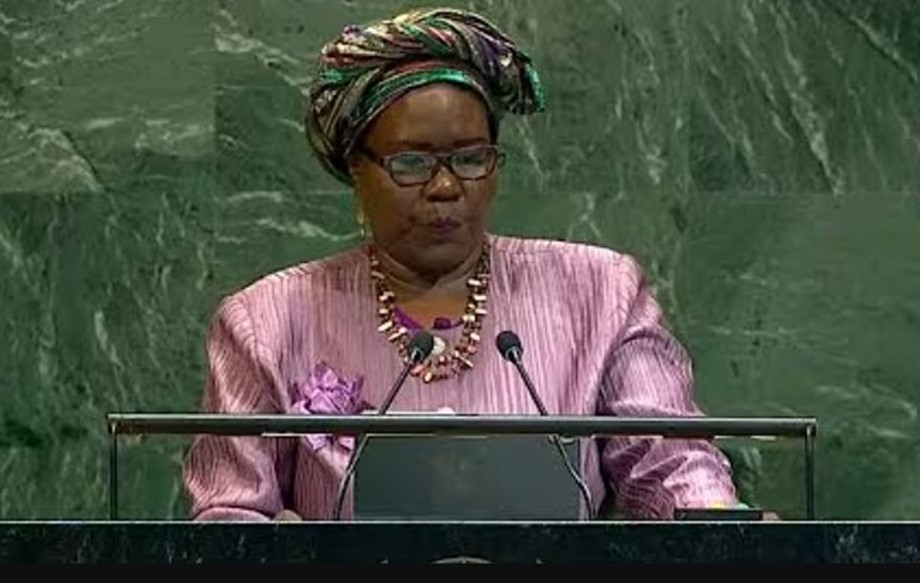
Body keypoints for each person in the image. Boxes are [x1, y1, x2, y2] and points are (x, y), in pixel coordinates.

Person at [182, 7, 743, 521]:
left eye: (471, 158)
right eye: (412, 163)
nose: (446, 186)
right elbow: (230, 515)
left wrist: (720, 524)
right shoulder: (267, 323)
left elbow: (670, 460)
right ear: (357, 167)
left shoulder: (600, 294)